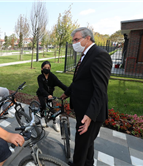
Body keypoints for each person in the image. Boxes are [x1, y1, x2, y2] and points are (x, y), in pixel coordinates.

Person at [61, 27, 112, 166]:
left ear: (88, 38)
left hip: (91, 113)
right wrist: (67, 93)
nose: (74, 43)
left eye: (76, 39)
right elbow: (78, 80)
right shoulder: (85, 55)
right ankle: (88, 163)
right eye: (73, 40)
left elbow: (100, 90)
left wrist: (89, 116)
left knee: (82, 143)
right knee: (87, 142)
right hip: (82, 109)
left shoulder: (99, 55)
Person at [36, 61, 67, 132]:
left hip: (50, 95)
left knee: (52, 108)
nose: (47, 69)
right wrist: (47, 95)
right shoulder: (40, 77)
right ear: (41, 68)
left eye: (48, 68)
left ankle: (54, 123)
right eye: (45, 68)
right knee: (43, 105)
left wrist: (68, 91)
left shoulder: (52, 77)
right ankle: (42, 118)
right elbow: (41, 88)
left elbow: (60, 84)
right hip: (41, 93)